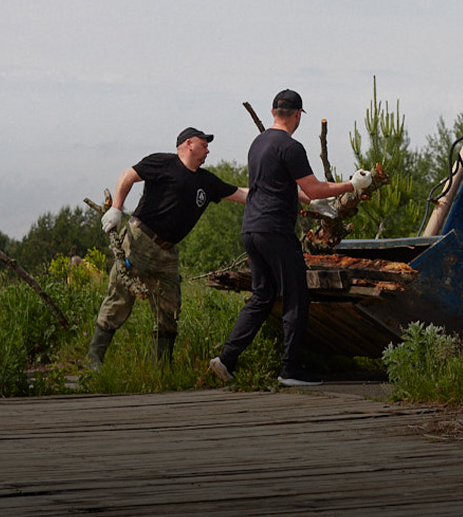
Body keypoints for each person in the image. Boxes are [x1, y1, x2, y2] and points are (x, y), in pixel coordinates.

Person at [210, 89, 372, 386]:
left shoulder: (257, 144)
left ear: (273, 112)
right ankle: (291, 371)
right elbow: (314, 188)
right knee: (296, 298)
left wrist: (310, 203)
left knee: (263, 295)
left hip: (252, 229)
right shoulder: (291, 146)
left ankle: (226, 358)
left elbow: (277, 187)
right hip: (275, 231)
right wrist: (352, 184)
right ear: (297, 115)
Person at [87, 127, 248, 366]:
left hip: (168, 252)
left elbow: (244, 194)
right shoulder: (163, 163)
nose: (208, 150)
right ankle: (94, 360)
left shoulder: (206, 181)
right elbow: (127, 176)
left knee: (170, 308)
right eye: (204, 145)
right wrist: (116, 209)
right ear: (189, 143)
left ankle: (161, 368)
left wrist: (291, 194)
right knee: (119, 299)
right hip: (139, 241)